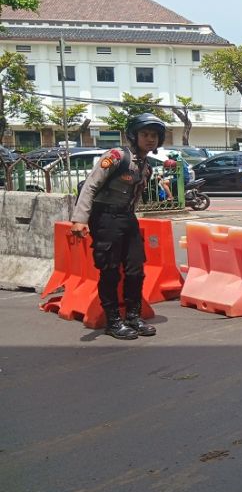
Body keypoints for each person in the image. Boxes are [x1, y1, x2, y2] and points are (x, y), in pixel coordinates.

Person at [70, 113, 164, 340]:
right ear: (134, 135)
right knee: (110, 270)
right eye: (145, 134)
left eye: (154, 136)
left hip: (127, 219)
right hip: (105, 219)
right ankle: (113, 321)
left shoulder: (146, 166)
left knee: (135, 270)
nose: (150, 139)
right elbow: (91, 185)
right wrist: (80, 218)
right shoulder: (115, 156)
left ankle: (133, 316)